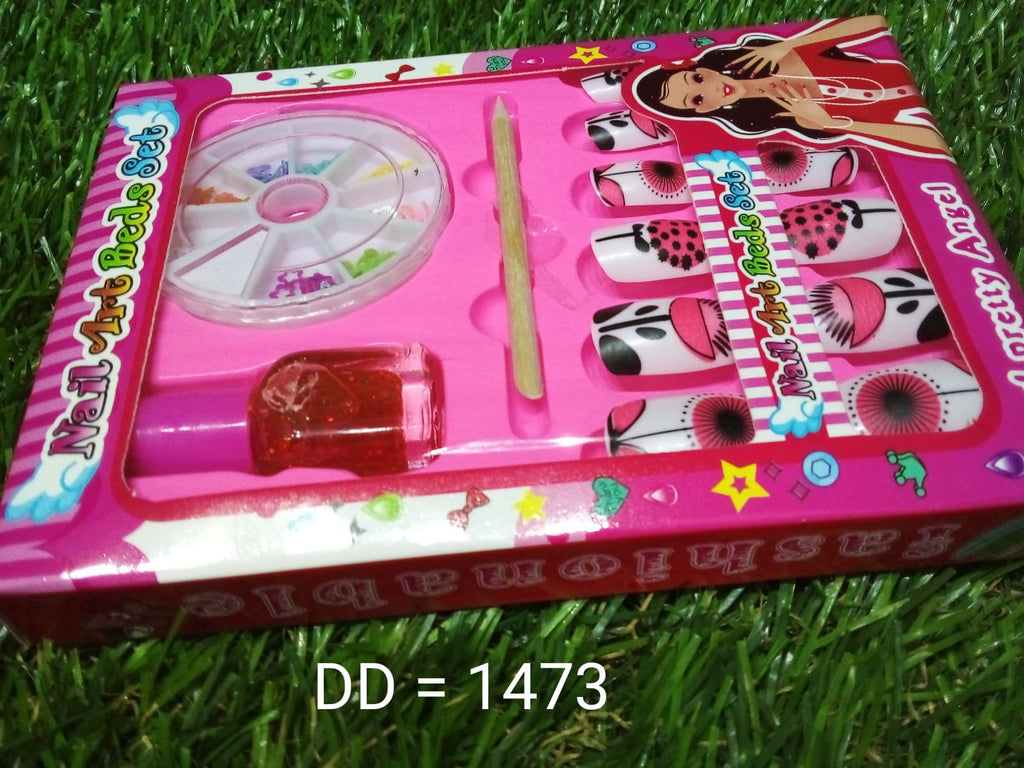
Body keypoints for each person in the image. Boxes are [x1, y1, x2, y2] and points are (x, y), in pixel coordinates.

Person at [631, 16, 951, 156]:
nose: (711, 91)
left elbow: (868, 26)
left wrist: (788, 44)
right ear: (705, 112)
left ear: (701, 68)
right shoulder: (794, 122)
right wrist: (836, 124)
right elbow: (929, 142)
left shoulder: (784, 55)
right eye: (697, 101)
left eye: (697, 79)